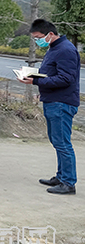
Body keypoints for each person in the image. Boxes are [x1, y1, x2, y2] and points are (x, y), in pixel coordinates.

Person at [19, 19, 80, 195]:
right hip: (53, 100)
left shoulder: (65, 50)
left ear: (50, 34)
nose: (37, 41)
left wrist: (36, 81)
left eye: (38, 37)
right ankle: (61, 176)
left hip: (61, 102)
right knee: (57, 141)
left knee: (62, 143)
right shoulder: (55, 49)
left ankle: (68, 182)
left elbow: (66, 78)